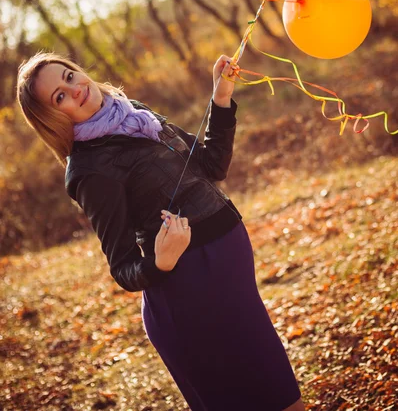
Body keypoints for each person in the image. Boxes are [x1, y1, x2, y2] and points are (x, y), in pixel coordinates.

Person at [17, 50, 304, 411]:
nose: (73, 90)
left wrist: (221, 97)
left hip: (232, 278)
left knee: (288, 400)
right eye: (59, 96)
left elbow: (211, 165)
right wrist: (161, 262)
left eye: (69, 77)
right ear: (53, 119)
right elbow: (123, 267)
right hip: (189, 301)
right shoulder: (89, 171)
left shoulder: (134, 114)